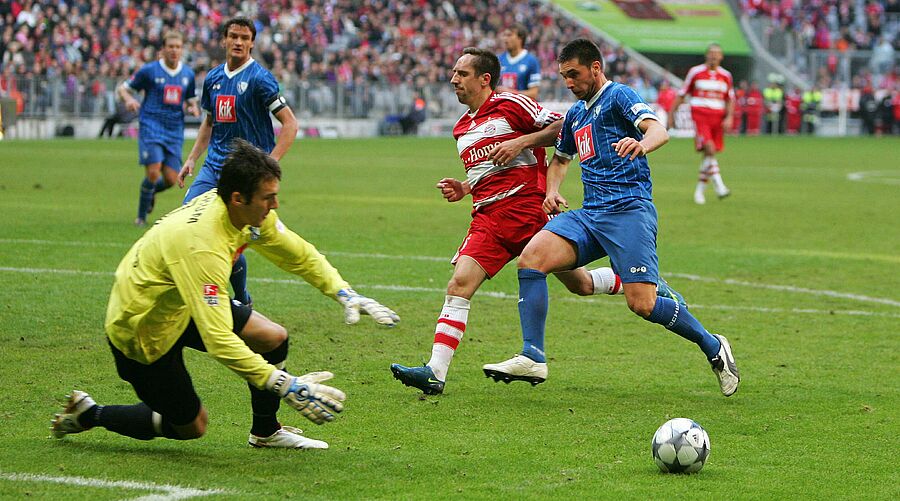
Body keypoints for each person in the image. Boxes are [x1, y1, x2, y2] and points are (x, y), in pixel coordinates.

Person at [50, 139, 399, 449]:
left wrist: (344, 292)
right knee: (191, 426)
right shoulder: (202, 246)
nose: (275, 204)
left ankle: (266, 432)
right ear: (238, 198)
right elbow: (218, 339)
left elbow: (297, 253)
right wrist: (283, 384)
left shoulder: (242, 213)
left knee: (272, 337)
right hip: (142, 326)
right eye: (268, 198)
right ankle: (89, 414)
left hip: (182, 302)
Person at [389, 48, 680, 395]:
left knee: (581, 284)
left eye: (461, 74)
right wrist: (465, 187)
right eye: (454, 73)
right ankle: (435, 372)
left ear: (484, 79)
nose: (454, 79)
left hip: (529, 211)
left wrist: (522, 141)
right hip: (488, 220)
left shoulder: (512, 104)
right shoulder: (461, 128)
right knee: (459, 284)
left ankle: (644, 283)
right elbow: (490, 169)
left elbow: (563, 127)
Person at [482, 39, 740, 397]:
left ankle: (713, 346)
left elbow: (658, 130)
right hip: (591, 214)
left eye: (574, 74)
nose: (569, 83)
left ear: (595, 68)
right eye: (564, 76)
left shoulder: (618, 96)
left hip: (629, 211)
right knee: (531, 259)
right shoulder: (576, 114)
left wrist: (641, 144)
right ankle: (533, 355)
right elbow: (560, 160)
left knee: (642, 304)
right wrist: (551, 191)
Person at [177, 17, 299, 307]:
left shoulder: (260, 79)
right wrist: (192, 158)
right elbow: (209, 122)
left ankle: (240, 298)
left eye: (245, 38)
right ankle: (204, 293)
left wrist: (269, 164)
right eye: (233, 36)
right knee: (188, 222)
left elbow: (290, 124)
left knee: (229, 234)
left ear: (252, 43)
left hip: (246, 173)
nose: (238, 42)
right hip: (214, 167)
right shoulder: (213, 78)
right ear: (224, 40)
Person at [119, 31, 200, 226]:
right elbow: (123, 88)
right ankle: (141, 218)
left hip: (174, 130)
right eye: (170, 47)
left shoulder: (187, 74)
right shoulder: (149, 71)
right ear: (163, 49)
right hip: (151, 126)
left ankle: (150, 191)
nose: (174, 50)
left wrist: (193, 107)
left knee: (172, 179)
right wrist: (129, 99)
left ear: (182, 50)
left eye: (178, 47)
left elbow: (191, 99)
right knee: (153, 172)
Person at [668, 43, 734, 205]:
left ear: (721, 57)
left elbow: (730, 98)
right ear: (706, 55)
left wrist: (729, 117)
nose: (713, 56)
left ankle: (699, 192)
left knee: (709, 155)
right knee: (709, 148)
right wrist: (672, 114)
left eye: (716, 53)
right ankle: (719, 185)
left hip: (717, 117)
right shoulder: (696, 72)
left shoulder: (726, 75)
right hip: (700, 116)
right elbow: (682, 93)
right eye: (711, 53)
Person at [496, 24, 542, 100]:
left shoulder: (531, 61)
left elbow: (533, 93)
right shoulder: (498, 60)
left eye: (509, 35)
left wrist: (509, 93)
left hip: (520, 107)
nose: (505, 39)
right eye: (504, 35)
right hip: (501, 106)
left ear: (520, 38)